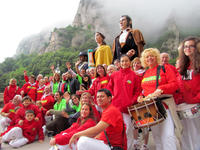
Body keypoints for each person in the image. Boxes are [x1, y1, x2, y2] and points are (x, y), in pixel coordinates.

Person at [139, 48, 181, 150]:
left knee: (168, 135)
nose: (149, 58)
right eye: (147, 57)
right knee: (157, 136)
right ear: (144, 59)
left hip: (164, 106)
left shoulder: (164, 68)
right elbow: (144, 89)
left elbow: (175, 84)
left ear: (156, 57)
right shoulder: (145, 73)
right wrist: (141, 95)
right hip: (151, 108)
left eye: (151, 56)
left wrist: (161, 89)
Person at [107, 55, 141, 150]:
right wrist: (111, 96)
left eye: (126, 61)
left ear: (129, 62)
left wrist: (132, 101)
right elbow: (109, 87)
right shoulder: (114, 75)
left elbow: (137, 91)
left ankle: (128, 148)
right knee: (117, 131)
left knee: (128, 130)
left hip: (128, 108)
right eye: (122, 61)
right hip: (116, 107)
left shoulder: (134, 76)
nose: (124, 63)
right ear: (119, 63)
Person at [176, 37, 200, 150]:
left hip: (196, 104)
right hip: (185, 105)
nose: (188, 48)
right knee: (185, 133)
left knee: (196, 134)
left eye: (191, 46)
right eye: (185, 46)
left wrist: (194, 99)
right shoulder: (183, 65)